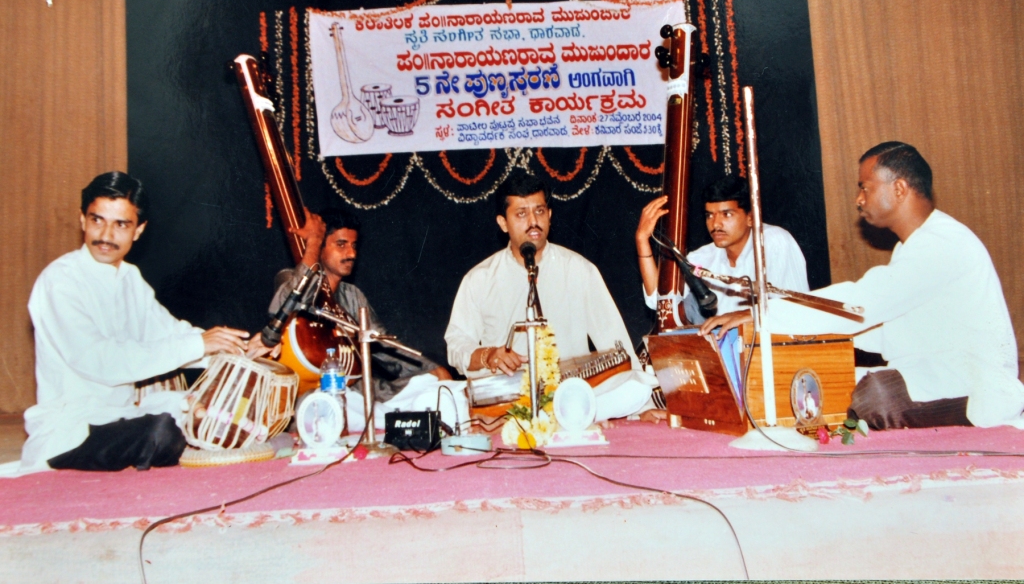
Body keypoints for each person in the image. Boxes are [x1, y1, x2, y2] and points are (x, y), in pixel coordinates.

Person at [701, 142, 1024, 429]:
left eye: (865, 188)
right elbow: (885, 326)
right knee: (831, 382)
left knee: (872, 394)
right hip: (932, 374)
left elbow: (861, 304)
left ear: (898, 189)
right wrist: (801, 332)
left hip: (971, 383)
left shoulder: (942, 243)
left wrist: (765, 316)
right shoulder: (914, 245)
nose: (858, 199)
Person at [21, 172, 254, 473]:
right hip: (71, 430)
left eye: (120, 224)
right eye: (97, 220)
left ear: (139, 230)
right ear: (82, 220)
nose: (105, 235)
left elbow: (170, 333)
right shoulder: (60, 281)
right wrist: (198, 344)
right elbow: (103, 362)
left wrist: (240, 350)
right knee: (161, 432)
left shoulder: (130, 279)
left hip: (119, 418)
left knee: (204, 410)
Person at [445, 173, 657, 419]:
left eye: (540, 211)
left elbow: (614, 340)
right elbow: (457, 345)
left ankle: (570, 413)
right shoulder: (479, 279)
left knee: (636, 385)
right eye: (521, 214)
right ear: (503, 223)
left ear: (550, 215)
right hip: (507, 395)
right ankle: (572, 418)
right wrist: (488, 355)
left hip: (571, 390)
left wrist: (643, 407)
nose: (533, 222)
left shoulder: (579, 270)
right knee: (446, 396)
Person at [270, 207, 450, 402]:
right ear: (321, 246)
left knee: (429, 386)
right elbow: (282, 306)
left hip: (352, 392)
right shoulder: (289, 278)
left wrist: (431, 368)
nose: (351, 254)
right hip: (308, 395)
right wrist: (312, 244)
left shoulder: (353, 295)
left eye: (354, 245)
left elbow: (383, 344)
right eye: (341, 245)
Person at [636, 175, 808, 324]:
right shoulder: (703, 257)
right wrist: (642, 239)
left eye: (727, 214)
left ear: (750, 218)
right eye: (709, 215)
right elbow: (659, 301)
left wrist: (749, 315)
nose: (715, 224)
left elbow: (798, 307)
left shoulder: (774, 241)